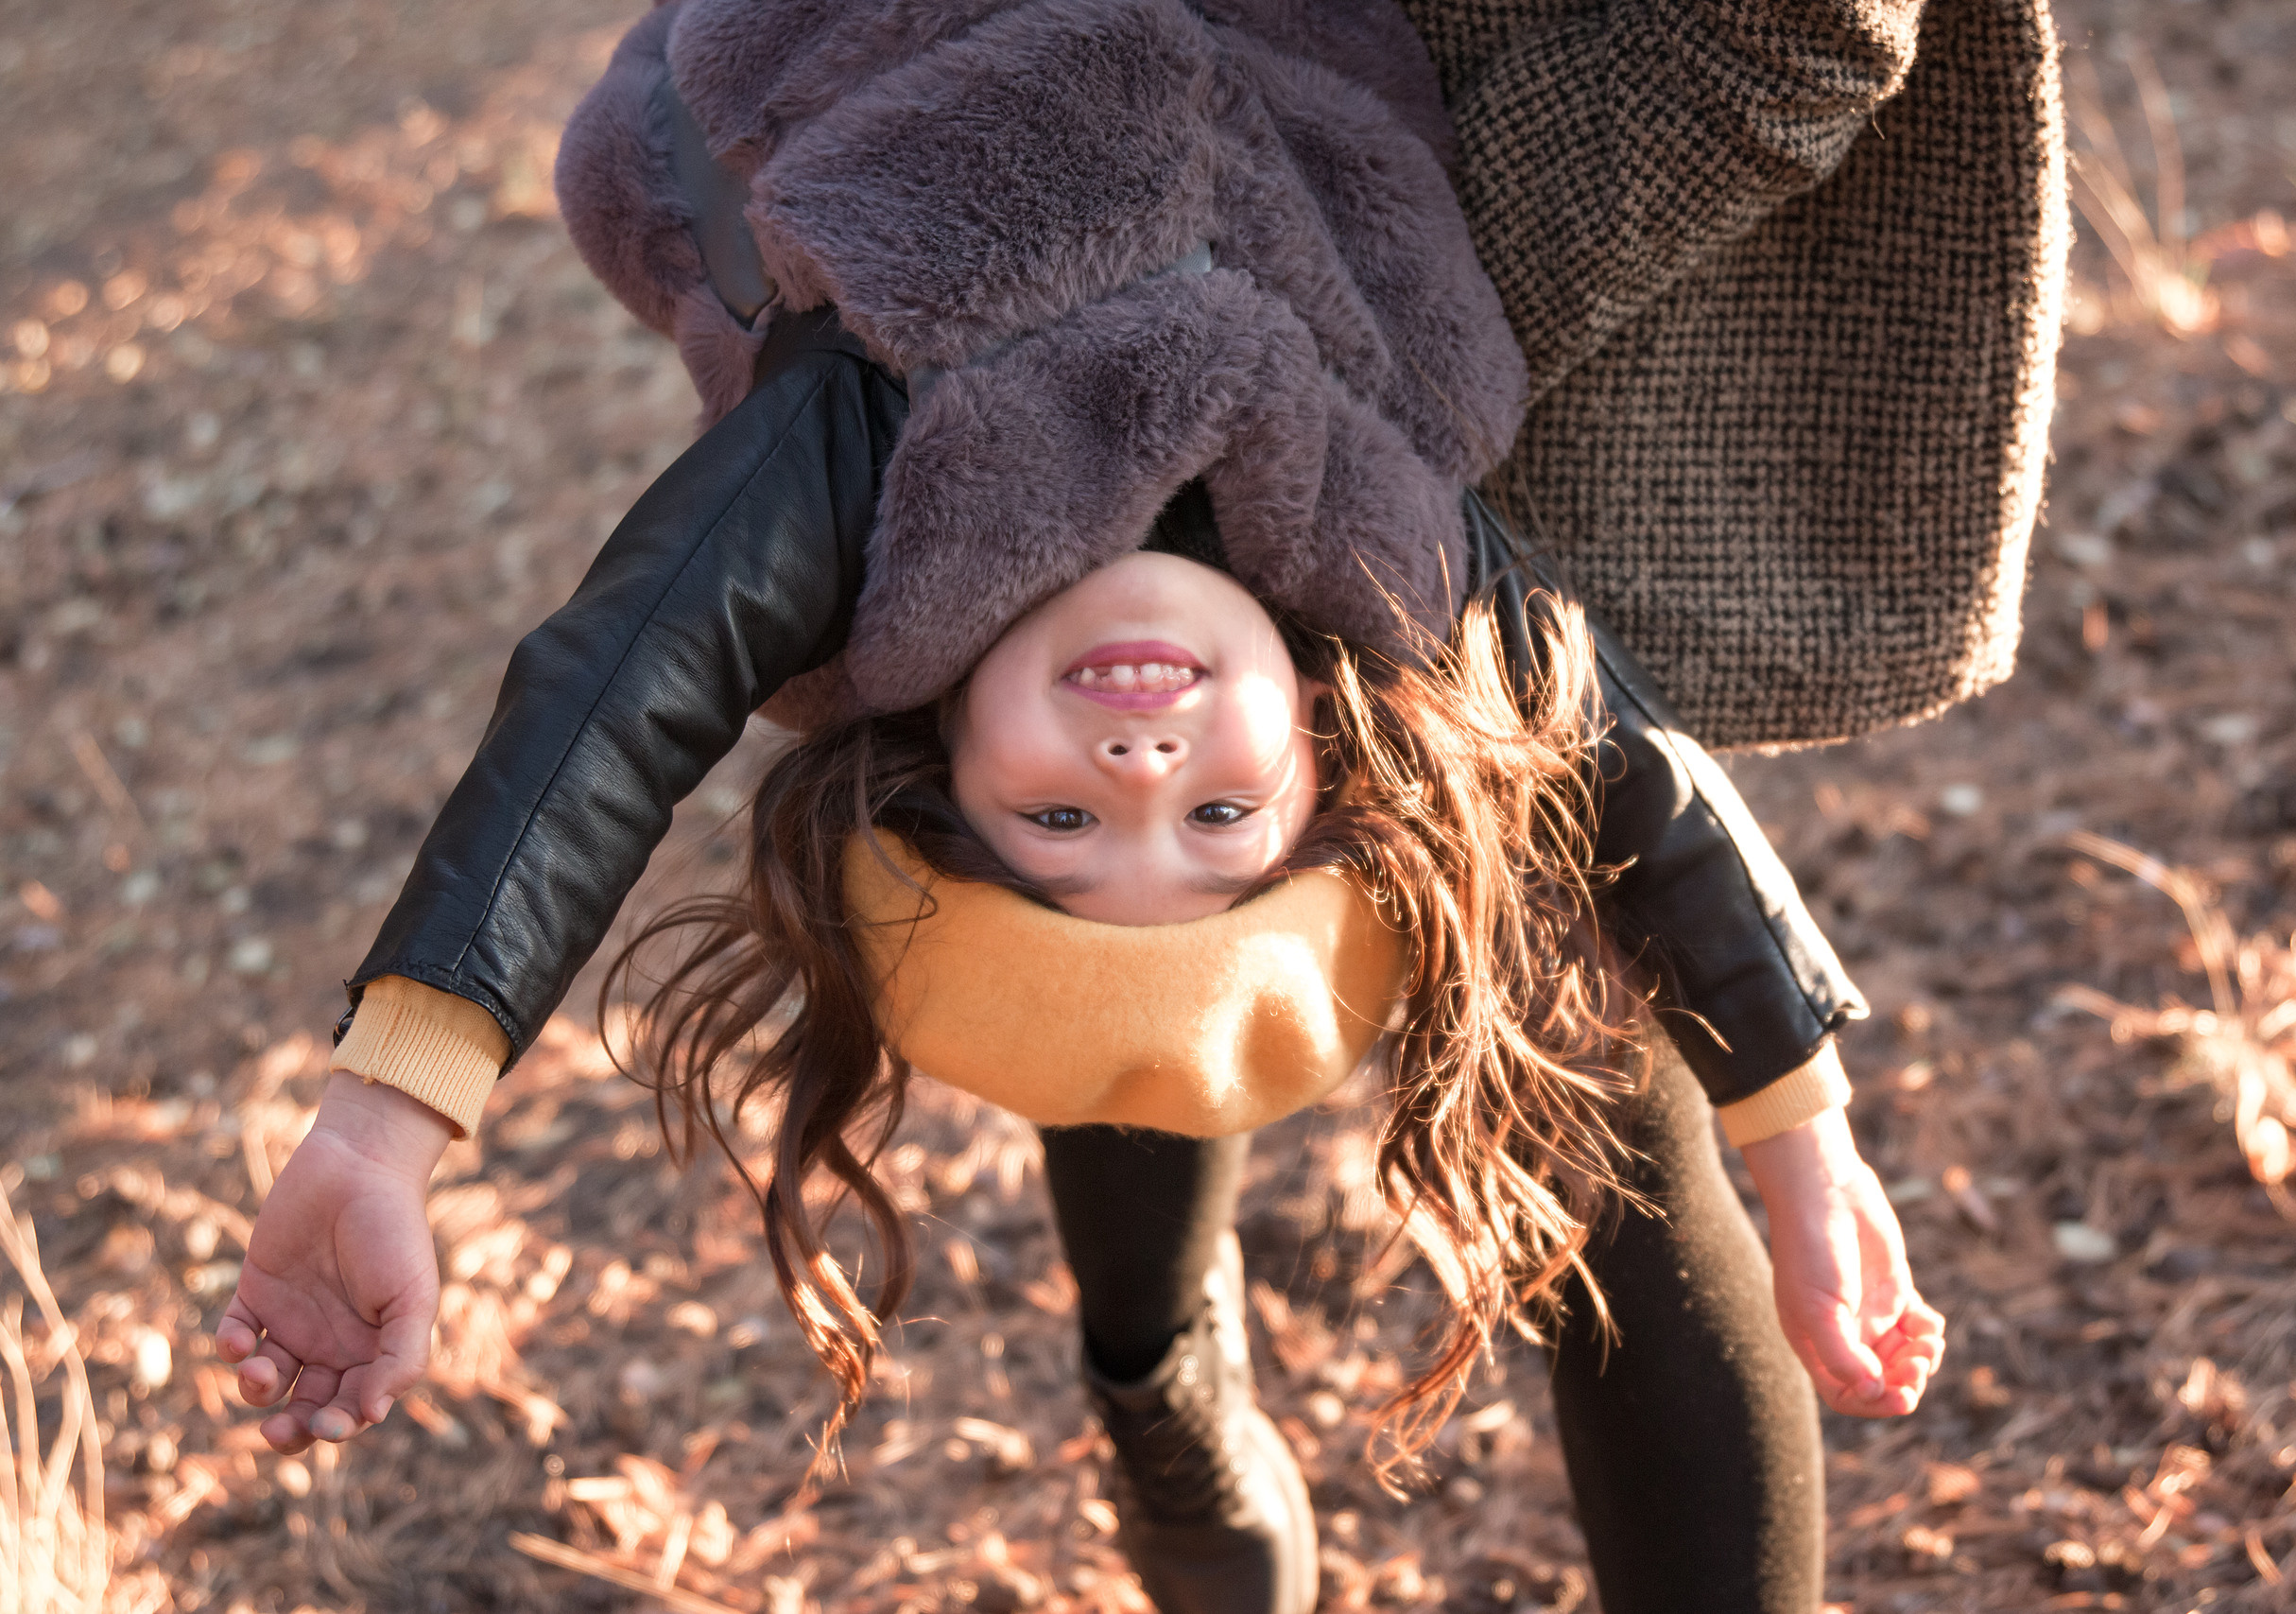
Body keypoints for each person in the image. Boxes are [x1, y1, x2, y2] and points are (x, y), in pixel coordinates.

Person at [217, 0, 2065, 1606]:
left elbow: (603, 701)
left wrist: (385, 1125)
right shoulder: (1375, 536)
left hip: (825, 94)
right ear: (1314, 761)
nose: (1137, 779)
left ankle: (1142, 1363)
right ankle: (1158, 1367)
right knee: (1374, 1014)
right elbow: (1633, 779)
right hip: (1314, 113)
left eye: (1057, 835)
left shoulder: (876, 468)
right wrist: (1802, 1138)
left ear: (943, 765)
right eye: (1219, 830)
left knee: (1089, 1003)